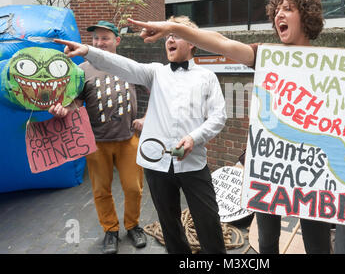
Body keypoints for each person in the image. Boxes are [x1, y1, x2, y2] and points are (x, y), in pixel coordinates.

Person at [125, 0, 345, 254]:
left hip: (317, 173)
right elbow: (222, 43)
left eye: (288, 9)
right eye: (277, 11)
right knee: (267, 242)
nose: (279, 15)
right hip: (272, 167)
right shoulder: (265, 56)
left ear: (306, 17)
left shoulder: (333, 64)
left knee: (318, 243)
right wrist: (173, 28)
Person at [53, 16, 227, 254]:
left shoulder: (207, 77)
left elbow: (219, 116)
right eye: (167, 36)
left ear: (192, 43)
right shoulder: (155, 72)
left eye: (176, 35)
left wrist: (194, 137)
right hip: (157, 164)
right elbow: (121, 65)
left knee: (208, 222)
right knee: (170, 225)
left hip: (193, 162)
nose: (170, 40)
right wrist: (89, 51)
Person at [49, 21, 147, 254]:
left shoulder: (129, 66)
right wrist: (64, 109)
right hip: (96, 142)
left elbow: (157, 90)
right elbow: (76, 102)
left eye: (105, 38)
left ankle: (133, 226)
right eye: (95, 39)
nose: (99, 42)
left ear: (117, 41)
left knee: (134, 188)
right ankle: (110, 230)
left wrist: (148, 117)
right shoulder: (81, 70)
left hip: (128, 139)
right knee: (101, 190)